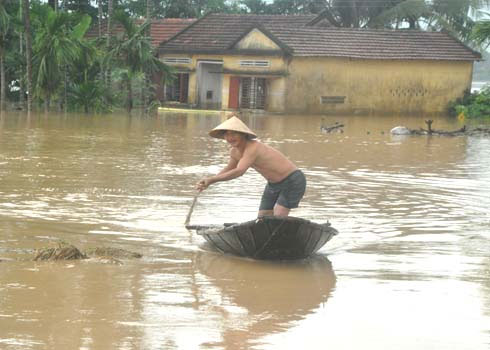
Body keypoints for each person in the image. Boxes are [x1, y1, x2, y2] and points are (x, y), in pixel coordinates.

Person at [197, 116, 306, 217]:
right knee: (263, 217)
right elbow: (229, 169)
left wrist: (212, 180)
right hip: (273, 184)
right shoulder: (234, 152)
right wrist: (209, 182)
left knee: (278, 216)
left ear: (243, 135)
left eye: (234, 134)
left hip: (292, 180)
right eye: (227, 134)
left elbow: (239, 171)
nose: (230, 138)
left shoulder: (253, 147)